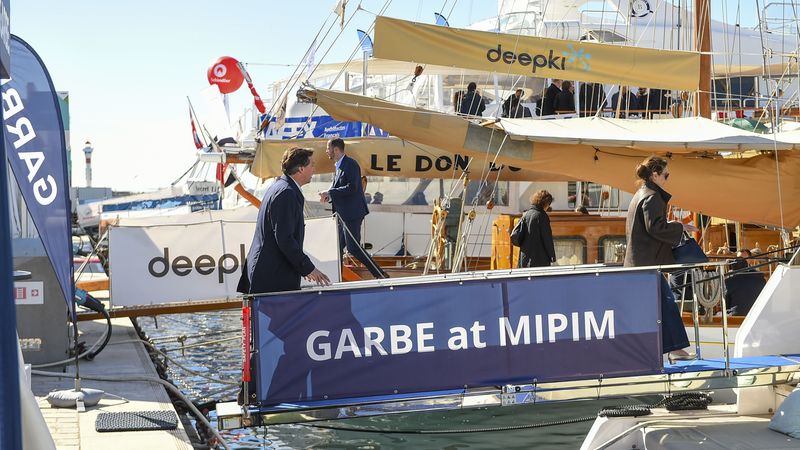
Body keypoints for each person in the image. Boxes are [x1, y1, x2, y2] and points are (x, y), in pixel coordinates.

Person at [624, 156, 698, 362]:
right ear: (655, 175)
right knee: (666, 305)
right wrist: (679, 226)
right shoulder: (652, 197)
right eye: (666, 175)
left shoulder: (640, 194)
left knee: (657, 308)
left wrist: (674, 225)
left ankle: (666, 350)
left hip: (639, 265)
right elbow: (655, 228)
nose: (667, 178)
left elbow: (651, 227)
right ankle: (675, 350)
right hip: (647, 266)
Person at [238, 147, 330, 295]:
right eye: (311, 165)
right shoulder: (286, 193)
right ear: (301, 169)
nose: (314, 169)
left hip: (269, 276)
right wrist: (308, 268)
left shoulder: (279, 187)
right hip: (272, 280)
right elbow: (285, 238)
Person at [319, 138, 386, 278]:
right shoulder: (339, 166)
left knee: (353, 247)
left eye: (328, 148)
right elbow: (339, 188)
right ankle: (333, 277)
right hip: (343, 215)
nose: (326, 151)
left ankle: (380, 274)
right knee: (337, 248)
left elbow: (353, 187)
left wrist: (330, 193)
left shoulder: (350, 164)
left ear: (336, 150)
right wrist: (328, 195)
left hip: (351, 214)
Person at [511, 190, 556, 268]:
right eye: (549, 204)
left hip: (524, 258)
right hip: (539, 260)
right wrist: (552, 256)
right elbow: (547, 239)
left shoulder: (525, 215)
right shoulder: (542, 216)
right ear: (545, 203)